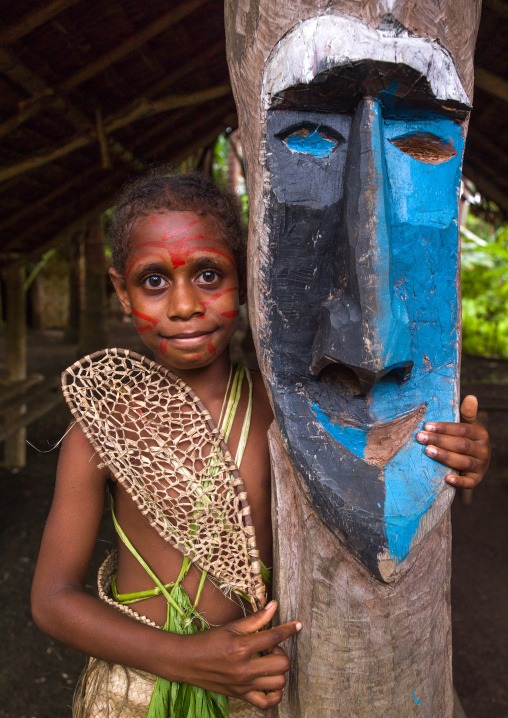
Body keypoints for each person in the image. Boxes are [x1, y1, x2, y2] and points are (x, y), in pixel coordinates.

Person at [31, 171, 490, 718]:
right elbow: (53, 600)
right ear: (121, 292)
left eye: (208, 274)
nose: (183, 306)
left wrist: (453, 451)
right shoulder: (102, 429)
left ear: (247, 278)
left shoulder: (288, 410)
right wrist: (182, 658)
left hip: (259, 692)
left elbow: (390, 472)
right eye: (153, 281)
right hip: (139, 691)